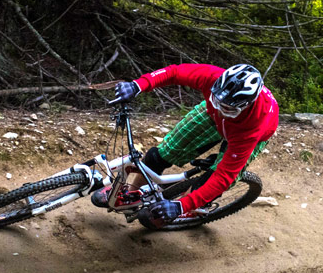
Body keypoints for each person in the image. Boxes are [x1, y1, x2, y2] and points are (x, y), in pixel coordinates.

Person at [92, 63, 279, 228]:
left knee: (212, 179)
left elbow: (224, 177)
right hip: (210, 116)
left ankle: (188, 208)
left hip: (244, 132)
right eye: (217, 100)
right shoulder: (213, 77)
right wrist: (138, 85)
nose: (221, 109)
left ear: (245, 105)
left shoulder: (255, 123)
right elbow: (174, 72)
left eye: (227, 108)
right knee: (158, 156)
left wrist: (180, 207)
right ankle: (130, 193)